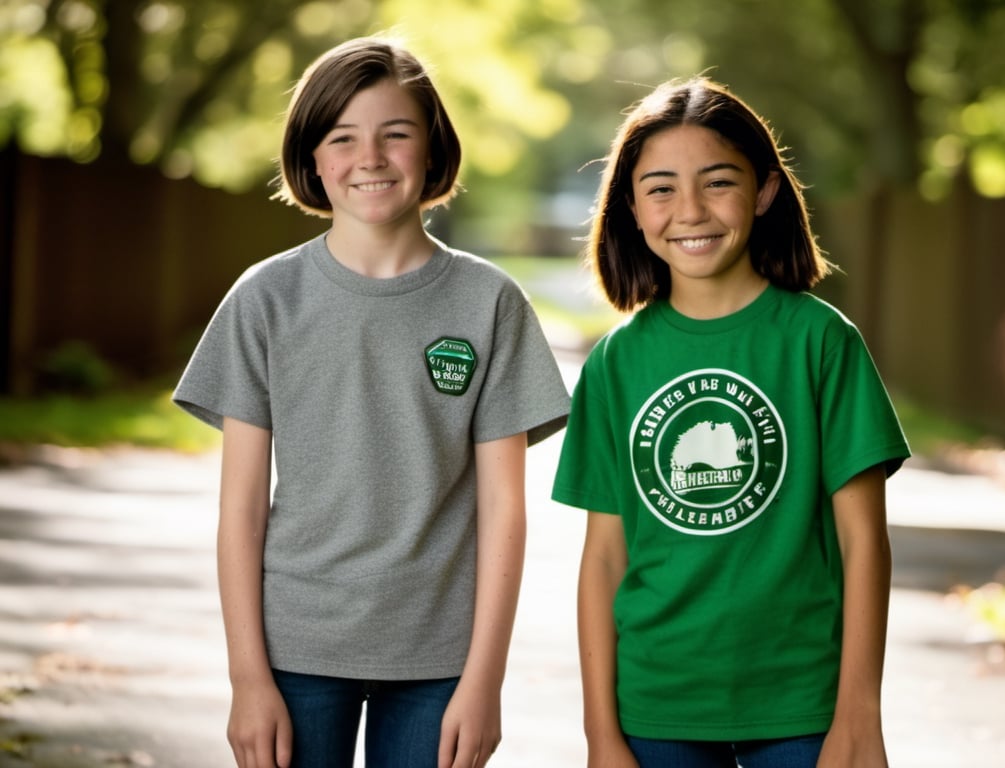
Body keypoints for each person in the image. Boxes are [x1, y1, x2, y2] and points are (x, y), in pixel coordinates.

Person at [173, 35, 570, 768]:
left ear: (432, 148)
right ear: (312, 158)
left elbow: (506, 511)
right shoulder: (265, 300)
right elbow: (240, 509)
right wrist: (247, 677)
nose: (371, 158)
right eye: (343, 137)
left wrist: (485, 681)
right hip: (295, 651)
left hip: (441, 662)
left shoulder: (490, 303)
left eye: (396, 134)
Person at [551, 76, 910, 768]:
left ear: (766, 191)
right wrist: (601, 732)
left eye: (717, 182)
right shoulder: (616, 364)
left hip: (803, 705)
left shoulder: (820, 342)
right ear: (631, 206)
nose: (690, 210)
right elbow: (602, 559)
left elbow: (864, 541)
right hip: (655, 707)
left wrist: (860, 716)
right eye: (660, 188)